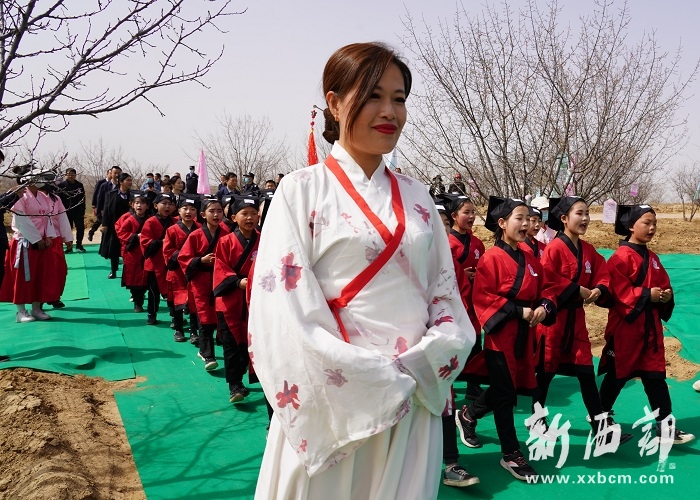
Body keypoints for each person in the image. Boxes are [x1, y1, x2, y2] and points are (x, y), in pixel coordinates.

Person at [249, 42, 475, 499]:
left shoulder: (418, 197)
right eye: (373, 95)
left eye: (399, 98)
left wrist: (426, 359)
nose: (389, 110)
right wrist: (369, 375)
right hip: (338, 399)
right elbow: (283, 310)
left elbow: (444, 293)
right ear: (334, 103)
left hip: (412, 392)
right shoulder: (301, 190)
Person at [457, 196, 557, 482]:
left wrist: (544, 306)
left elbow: (547, 288)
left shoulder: (531, 258)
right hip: (501, 336)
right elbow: (483, 297)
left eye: (529, 219)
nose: (526, 224)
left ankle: (468, 414)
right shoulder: (491, 258)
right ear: (502, 223)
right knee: (505, 396)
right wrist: (518, 311)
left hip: (526, 336)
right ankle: (511, 453)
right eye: (519, 218)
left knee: (507, 390)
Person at [531, 197, 631, 445]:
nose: (585, 218)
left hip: (576, 320)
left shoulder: (588, 250)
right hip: (554, 321)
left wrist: (598, 289)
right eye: (579, 213)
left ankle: (600, 428)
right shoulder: (554, 248)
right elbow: (547, 279)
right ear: (564, 219)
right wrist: (576, 290)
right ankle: (537, 420)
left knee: (586, 372)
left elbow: (602, 274)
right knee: (545, 373)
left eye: (587, 213)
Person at [598, 204, 695, 445]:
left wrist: (666, 296)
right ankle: (600, 419)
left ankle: (665, 427)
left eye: (654, 224)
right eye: (647, 223)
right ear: (631, 226)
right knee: (617, 376)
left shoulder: (653, 258)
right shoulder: (619, 258)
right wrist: (646, 294)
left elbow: (664, 285)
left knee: (655, 377)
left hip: (650, 330)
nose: (652, 228)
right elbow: (618, 293)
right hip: (627, 329)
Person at [434, 197, 480, 488]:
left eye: (443, 226)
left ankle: (451, 463)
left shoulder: (453, 259)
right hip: (406, 344)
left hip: (443, 340)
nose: (440, 231)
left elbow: (460, 299)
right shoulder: (405, 261)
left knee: (445, 401)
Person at [0, 171, 73, 322]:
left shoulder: (43, 196)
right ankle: (21, 311)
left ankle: (36, 308)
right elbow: (21, 220)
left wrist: (49, 236)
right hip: (25, 241)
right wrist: (36, 238)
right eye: (38, 178)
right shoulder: (21, 195)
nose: (41, 181)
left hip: (43, 241)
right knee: (22, 276)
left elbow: (48, 218)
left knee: (41, 275)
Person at [213, 195, 261, 403]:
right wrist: (237, 282)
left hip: (257, 299)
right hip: (231, 300)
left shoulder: (265, 239)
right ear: (234, 217)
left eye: (253, 214)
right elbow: (220, 268)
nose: (250, 218)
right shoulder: (225, 242)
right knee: (232, 344)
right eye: (245, 214)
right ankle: (234, 385)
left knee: (254, 341)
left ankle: (256, 377)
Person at [178, 197, 230, 371]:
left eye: (219, 211)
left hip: (222, 280)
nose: (216, 215)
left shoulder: (227, 234)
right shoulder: (195, 235)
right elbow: (183, 258)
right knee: (205, 317)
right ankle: (208, 354)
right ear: (202, 214)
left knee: (222, 315)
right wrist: (200, 260)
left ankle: (218, 348)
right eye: (211, 211)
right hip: (201, 281)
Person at [447, 193, 486, 401]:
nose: (471, 216)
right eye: (466, 212)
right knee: (453, 340)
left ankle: (473, 383)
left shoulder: (478, 243)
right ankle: (449, 384)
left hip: (473, 300)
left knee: (475, 340)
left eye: (473, 212)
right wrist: (461, 274)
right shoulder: (447, 242)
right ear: (454, 216)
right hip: (454, 300)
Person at [164, 194, 201, 343]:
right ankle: (179, 329)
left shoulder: (201, 229)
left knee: (194, 302)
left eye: (192, 209)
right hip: (177, 271)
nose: (188, 212)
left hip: (195, 271)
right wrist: (185, 255)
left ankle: (194, 331)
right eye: (185, 208)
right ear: (178, 211)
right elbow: (167, 252)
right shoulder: (172, 230)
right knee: (178, 302)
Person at [140, 193, 176, 325]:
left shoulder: (175, 222)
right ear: (155, 206)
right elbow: (145, 242)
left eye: (170, 204)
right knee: (153, 291)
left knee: (173, 290)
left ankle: (175, 316)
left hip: (171, 262)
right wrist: (162, 242)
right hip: (154, 263)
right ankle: (152, 314)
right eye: (164, 203)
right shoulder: (150, 222)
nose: (167, 207)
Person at [115, 191, 150, 312]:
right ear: (132, 205)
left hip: (147, 252)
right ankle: (137, 301)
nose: (139, 205)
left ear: (147, 206)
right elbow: (121, 232)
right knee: (133, 278)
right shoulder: (129, 219)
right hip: (132, 253)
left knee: (146, 278)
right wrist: (135, 237)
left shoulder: (150, 219)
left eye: (142, 203)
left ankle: (142, 299)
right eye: (137, 203)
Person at [99, 173, 132, 279]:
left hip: (129, 225)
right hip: (114, 225)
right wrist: (105, 224)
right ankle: (113, 270)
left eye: (130, 180)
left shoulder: (133, 195)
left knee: (128, 248)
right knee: (114, 248)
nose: (130, 182)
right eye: (127, 180)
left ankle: (128, 272)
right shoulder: (111, 194)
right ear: (121, 182)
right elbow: (106, 209)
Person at [57, 168, 87, 252]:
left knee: (80, 228)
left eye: (72, 174)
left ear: (75, 175)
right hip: (66, 211)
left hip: (78, 211)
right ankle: (69, 246)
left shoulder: (79, 185)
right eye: (69, 174)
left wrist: (82, 209)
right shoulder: (61, 186)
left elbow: (83, 198)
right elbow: (58, 199)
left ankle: (79, 245)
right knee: (68, 229)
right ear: (66, 175)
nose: (71, 176)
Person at [88, 168, 112, 241]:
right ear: (107, 174)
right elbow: (96, 193)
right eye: (110, 173)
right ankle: (92, 232)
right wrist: (94, 203)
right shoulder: (101, 182)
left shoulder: (115, 184)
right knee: (101, 220)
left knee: (100, 221)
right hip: (101, 205)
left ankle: (92, 232)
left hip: (110, 206)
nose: (112, 175)